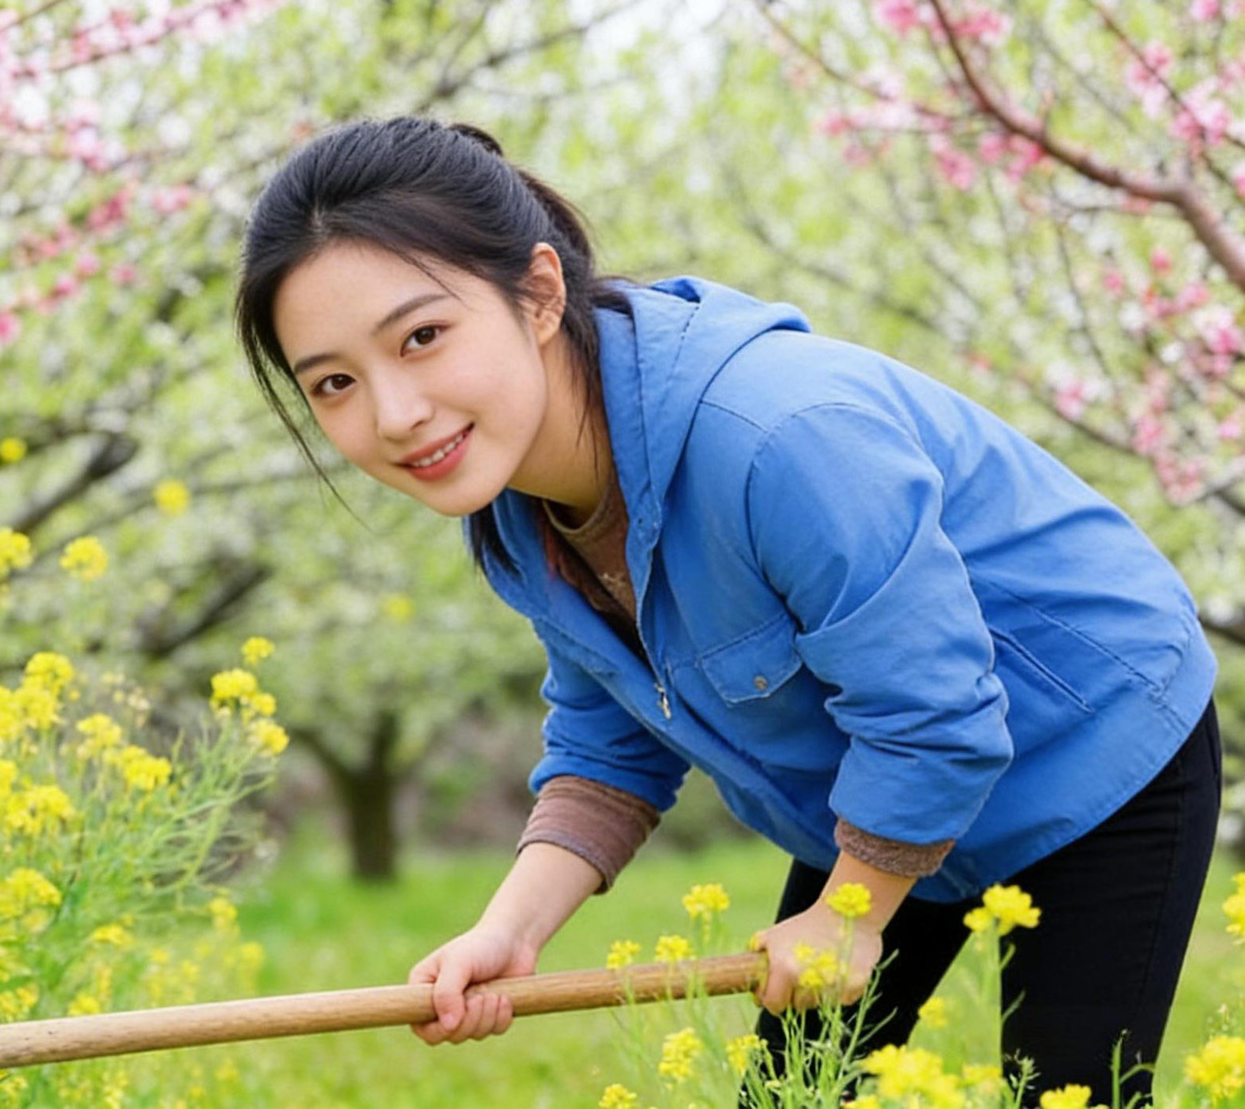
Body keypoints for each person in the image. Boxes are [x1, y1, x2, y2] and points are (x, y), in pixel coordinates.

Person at [231, 115, 1220, 1102]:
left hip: (1092, 738)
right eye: (334, 382)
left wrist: (849, 909)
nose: (393, 412)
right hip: (882, 781)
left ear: (535, 293)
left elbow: (935, 714)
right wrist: (509, 929)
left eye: (422, 336)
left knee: (1068, 1094)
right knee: (789, 1093)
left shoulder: (776, 435)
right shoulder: (514, 514)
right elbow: (612, 736)